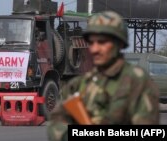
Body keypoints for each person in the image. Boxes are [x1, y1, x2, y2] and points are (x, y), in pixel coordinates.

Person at [47, 11, 159, 141]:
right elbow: (55, 124)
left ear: (119, 43)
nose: (95, 49)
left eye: (102, 42)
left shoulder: (137, 82)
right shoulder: (79, 84)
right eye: (92, 42)